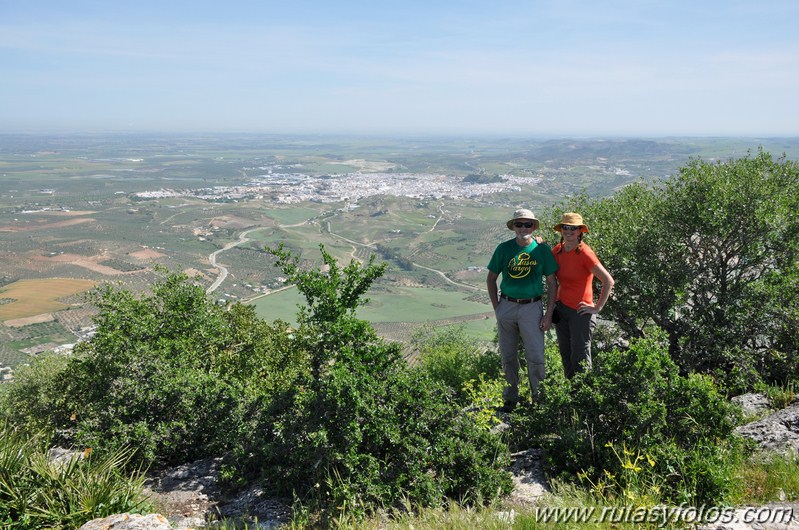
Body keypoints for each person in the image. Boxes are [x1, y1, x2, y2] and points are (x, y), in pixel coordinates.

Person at [487, 208, 558, 412]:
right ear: (513, 227)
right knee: (508, 356)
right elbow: (491, 279)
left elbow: (553, 282)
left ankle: (538, 400)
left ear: (534, 226)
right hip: (507, 306)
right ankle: (510, 398)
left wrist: (548, 312)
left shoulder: (542, 250)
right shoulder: (504, 249)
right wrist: (497, 308)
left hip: (532, 307)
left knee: (536, 356)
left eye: (528, 224)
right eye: (519, 224)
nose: (523, 228)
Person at [551, 212, 615, 379]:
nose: (569, 231)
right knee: (566, 355)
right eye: (565, 227)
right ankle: (572, 395)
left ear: (580, 231)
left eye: (573, 228)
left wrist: (597, 307)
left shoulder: (585, 254)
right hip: (562, 310)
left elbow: (608, 281)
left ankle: (584, 395)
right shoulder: (558, 251)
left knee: (580, 356)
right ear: (561, 230)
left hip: (581, 313)